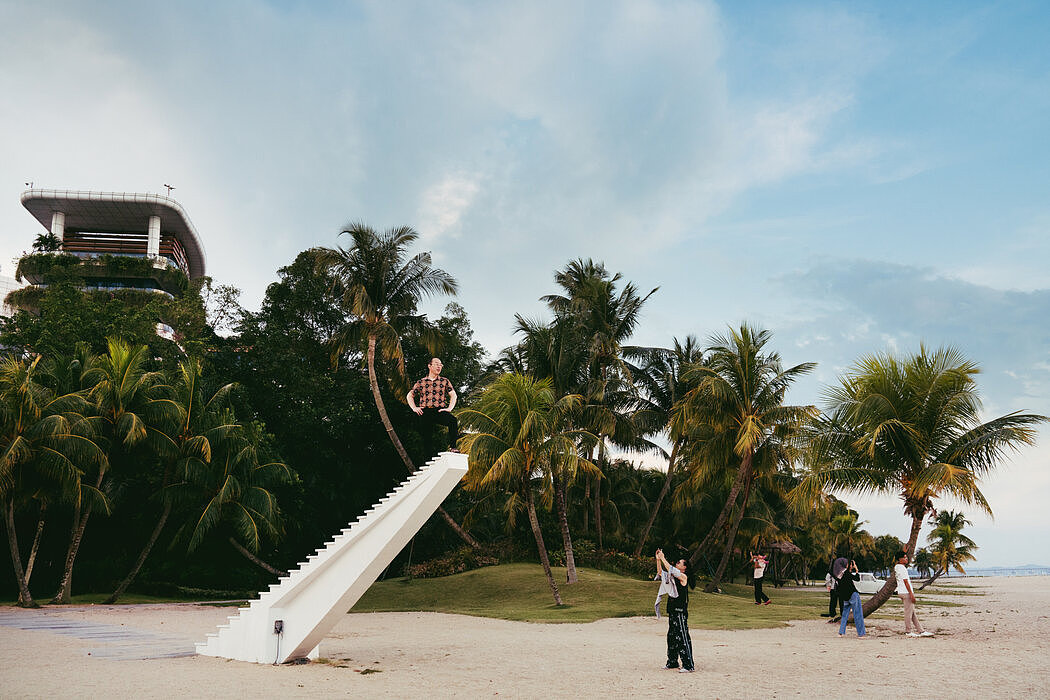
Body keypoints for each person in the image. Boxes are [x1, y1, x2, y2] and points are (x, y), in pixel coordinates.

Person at [407, 357, 459, 457]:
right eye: (436, 364)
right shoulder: (421, 382)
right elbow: (410, 395)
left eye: (441, 365)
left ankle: (453, 447)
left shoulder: (445, 381)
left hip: (439, 410)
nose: (439, 366)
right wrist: (414, 408)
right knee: (427, 437)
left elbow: (453, 395)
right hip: (425, 412)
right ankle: (428, 459)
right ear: (429, 366)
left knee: (453, 421)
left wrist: (449, 408)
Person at [656, 549, 694, 673]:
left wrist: (663, 557)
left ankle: (688, 665)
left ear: (684, 568)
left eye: (679, 563)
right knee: (671, 636)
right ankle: (672, 662)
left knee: (682, 636)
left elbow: (671, 569)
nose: (677, 564)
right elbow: (661, 573)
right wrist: (658, 560)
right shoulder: (673, 576)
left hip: (680, 611)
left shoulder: (683, 577)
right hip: (672, 610)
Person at [894, 550, 933, 637]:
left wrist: (904, 550)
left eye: (906, 557)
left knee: (912, 613)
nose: (906, 558)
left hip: (901, 591)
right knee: (908, 613)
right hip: (906, 592)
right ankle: (908, 631)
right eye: (904, 557)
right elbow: (906, 582)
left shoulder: (897, 567)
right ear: (900, 559)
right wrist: (911, 594)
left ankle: (921, 631)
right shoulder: (902, 568)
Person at [836, 559, 866, 638]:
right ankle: (861, 634)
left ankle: (841, 632)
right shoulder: (847, 573)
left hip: (845, 597)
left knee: (845, 615)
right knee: (858, 614)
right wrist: (856, 570)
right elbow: (857, 578)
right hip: (853, 595)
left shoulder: (839, 574)